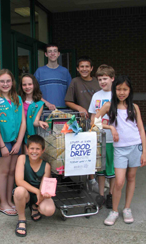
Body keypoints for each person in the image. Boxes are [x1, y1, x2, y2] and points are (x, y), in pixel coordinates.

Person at [95, 75, 146, 225]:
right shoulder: (109, 106)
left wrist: (144, 151)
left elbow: (141, 130)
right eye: (118, 89)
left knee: (131, 178)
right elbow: (94, 121)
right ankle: (114, 211)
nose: (122, 92)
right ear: (114, 90)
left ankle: (127, 208)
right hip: (119, 149)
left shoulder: (134, 107)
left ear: (130, 90)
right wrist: (110, 126)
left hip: (135, 147)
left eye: (125, 89)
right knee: (119, 181)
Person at [0, 69, 26, 216]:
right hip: (3, 142)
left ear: (12, 83)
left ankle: (9, 200)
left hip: (15, 141)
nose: (5, 84)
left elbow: (23, 122)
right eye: (2, 81)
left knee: (13, 172)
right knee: (3, 172)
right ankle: (2, 203)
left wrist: (19, 142)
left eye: (8, 81)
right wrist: (1, 145)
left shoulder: (17, 98)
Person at [65, 56, 100, 192]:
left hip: (98, 121)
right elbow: (68, 100)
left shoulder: (98, 82)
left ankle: (101, 176)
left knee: (99, 149)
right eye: (82, 67)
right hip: (82, 122)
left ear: (91, 68)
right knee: (87, 150)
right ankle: (91, 178)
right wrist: (79, 108)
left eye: (87, 66)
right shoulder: (75, 82)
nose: (84, 69)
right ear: (77, 69)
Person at [13, 135, 56, 237]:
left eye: (38, 149)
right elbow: (19, 181)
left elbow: (44, 185)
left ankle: (35, 206)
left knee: (49, 210)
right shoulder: (22, 158)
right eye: (32, 148)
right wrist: (36, 191)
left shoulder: (46, 166)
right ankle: (22, 219)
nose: (34, 151)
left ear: (43, 150)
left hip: (38, 194)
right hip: (26, 193)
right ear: (27, 149)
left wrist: (43, 194)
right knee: (19, 191)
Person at [89, 64, 116, 209]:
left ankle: (110, 194)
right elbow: (93, 116)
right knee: (100, 169)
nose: (102, 82)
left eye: (105, 78)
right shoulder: (96, 96)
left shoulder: (116, 95)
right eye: (100, 79)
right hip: (99, 138)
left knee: (111, 169)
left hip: (112, 138)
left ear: (112, 78)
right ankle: (100, 195)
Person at [34, 44, 72, 109]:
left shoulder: (65, 71)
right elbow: (34, 92)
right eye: (50, 51)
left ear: (58, 54)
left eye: (55, 51)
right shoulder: (39, 71)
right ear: (46, 54)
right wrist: (47, 103)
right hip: (44, 110)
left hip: (62, 110)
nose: (52, 53)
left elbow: (71, 92)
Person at [19, 73, 49, 147]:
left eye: (30, 84)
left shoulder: (39, 104)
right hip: (17, 135)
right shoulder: (18, 100)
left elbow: (35, 122)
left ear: (34, 85)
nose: (27, 87)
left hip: (29, 136)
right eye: (24, 85)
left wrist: (39, 122)